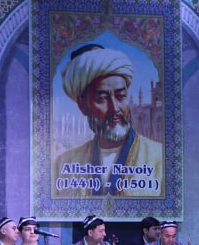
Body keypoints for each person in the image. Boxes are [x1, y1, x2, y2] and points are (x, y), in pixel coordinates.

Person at [54, 44, 164, 198]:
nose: (115, 108)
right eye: (102, 98)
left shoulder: (160, 158)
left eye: (121, 96)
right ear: (82, 105)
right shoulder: (64, 163)